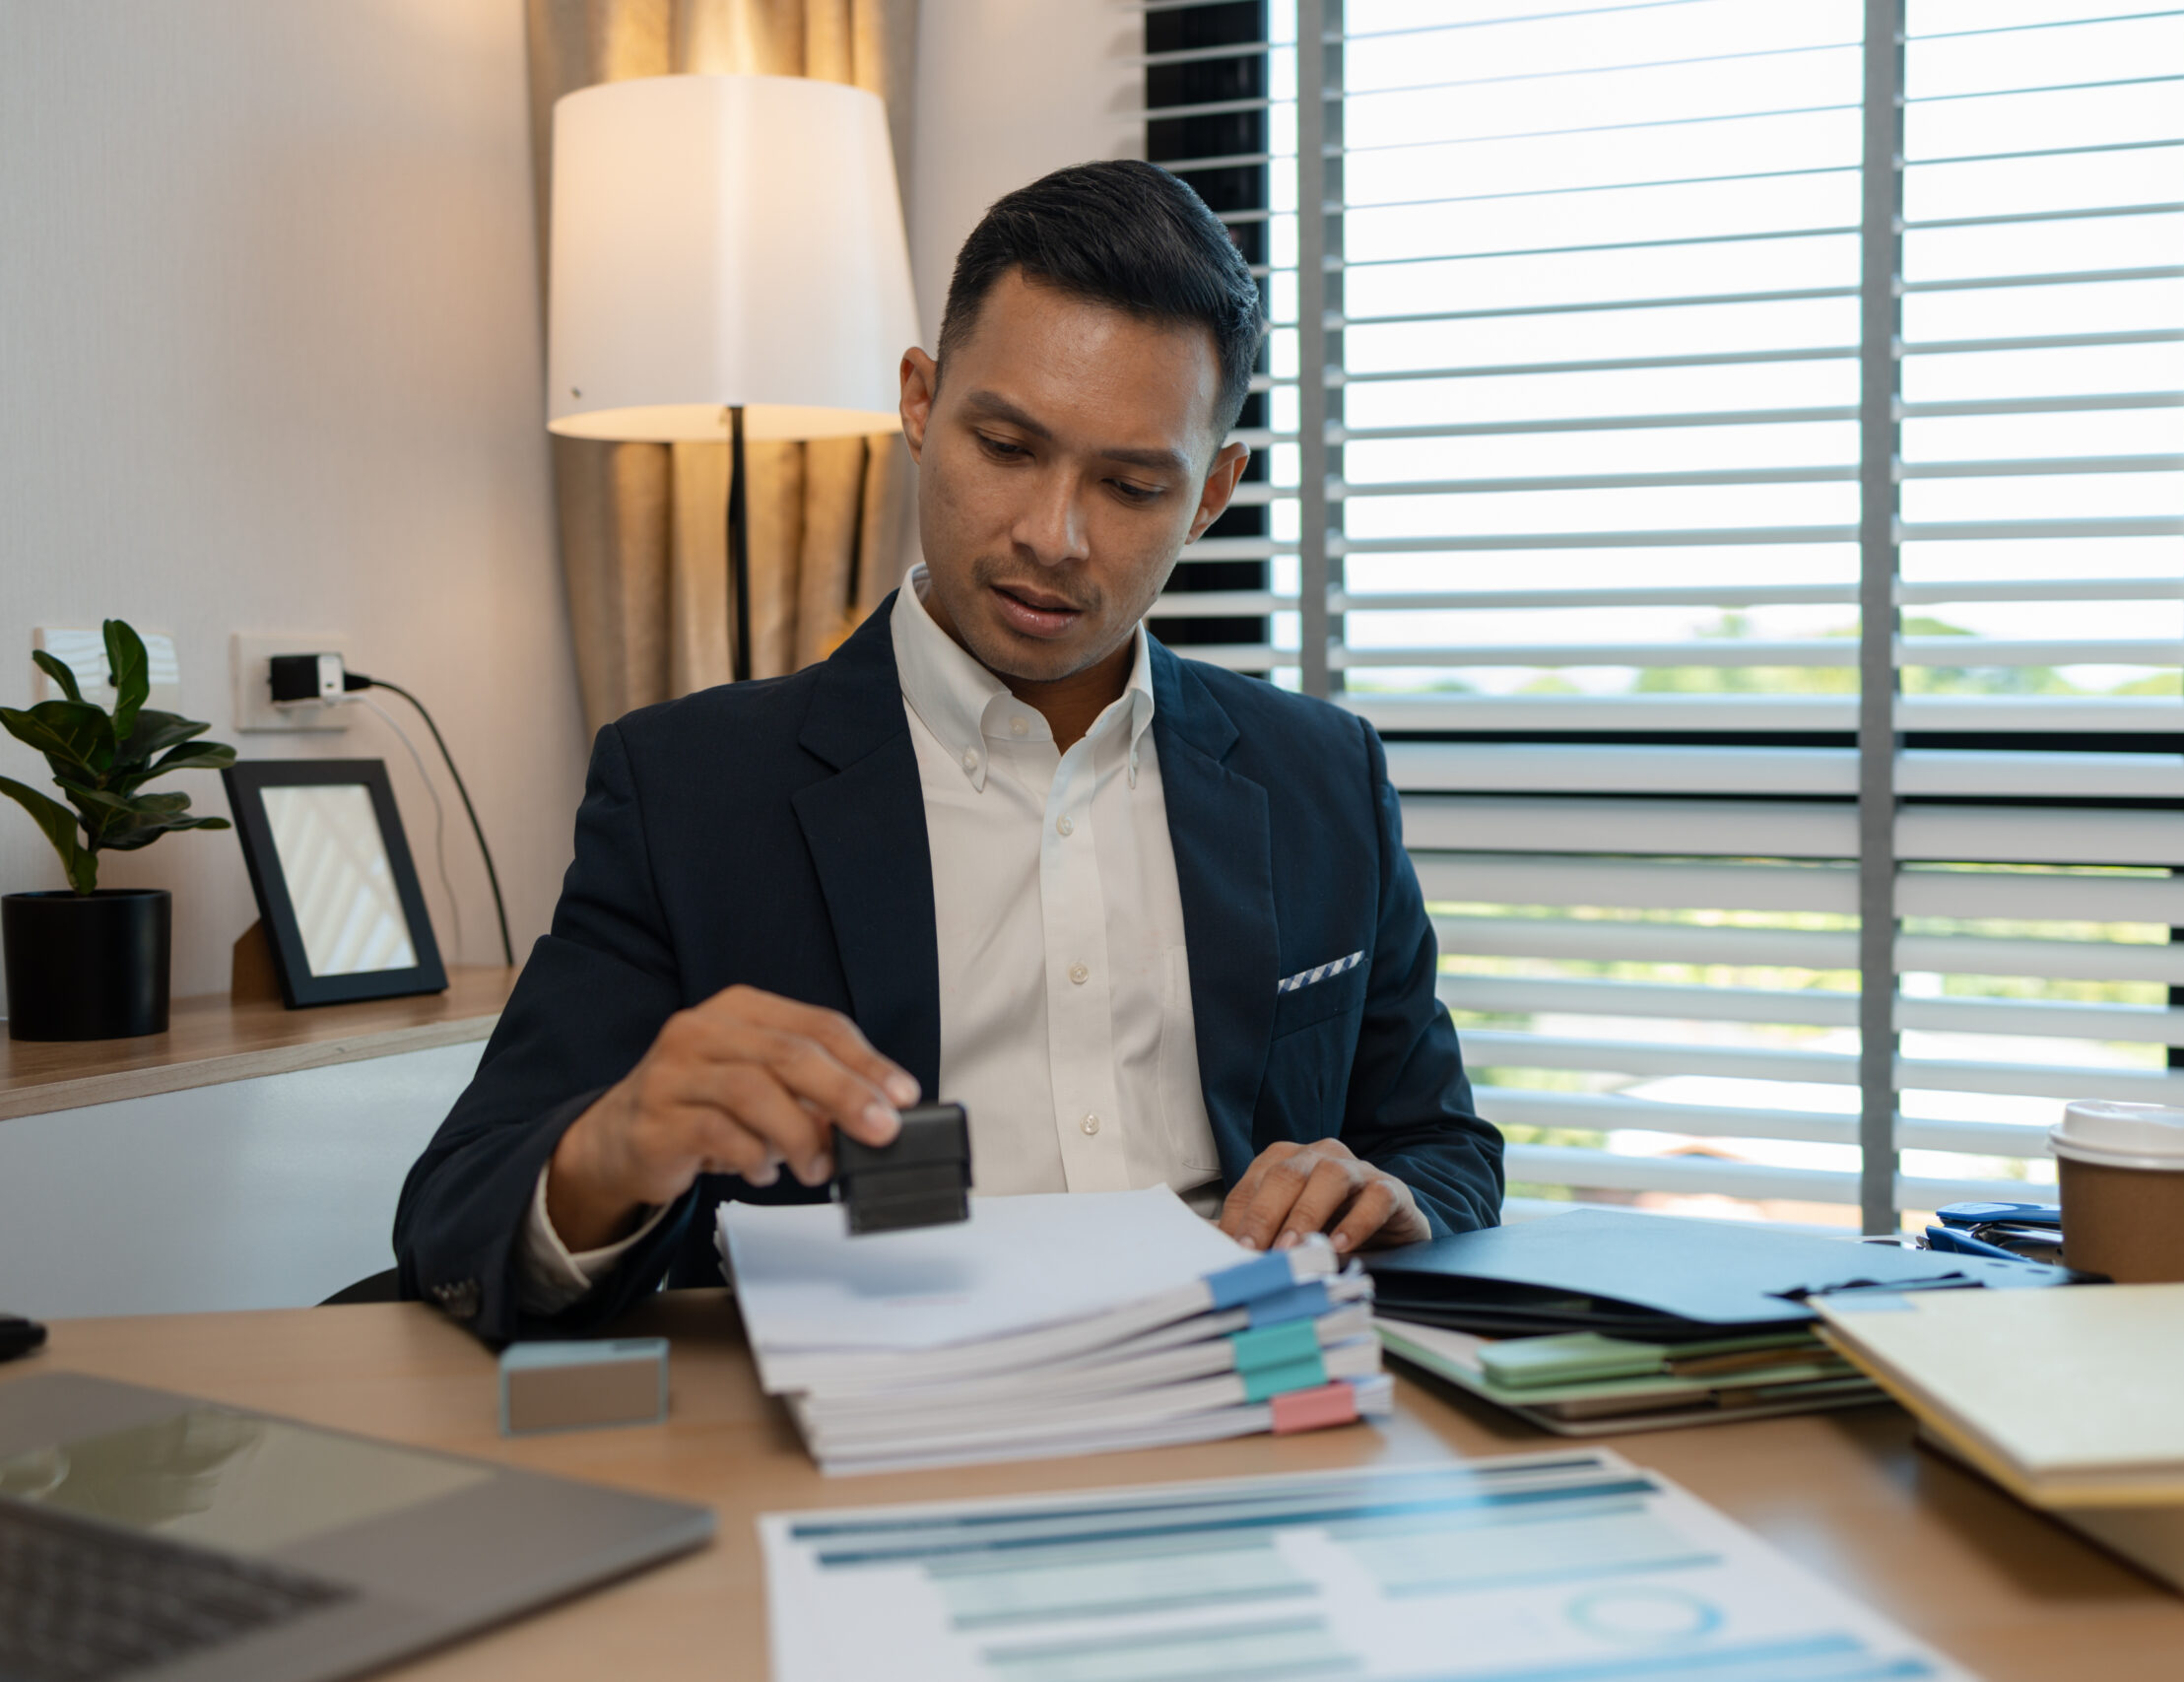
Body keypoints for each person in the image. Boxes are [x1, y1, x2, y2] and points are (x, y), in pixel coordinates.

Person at [393, 160, 1502, 1342]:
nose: (1051, 536)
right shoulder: (689, 791)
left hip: (1255, 1394)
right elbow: (455, 1227)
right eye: (1007, 448)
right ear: (921, 404)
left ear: (1214, 491)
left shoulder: (1320, 776)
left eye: (1130, 485)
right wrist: (611, 1148)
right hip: (870, 1412)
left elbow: (1437, 1146)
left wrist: (1395, 1198)